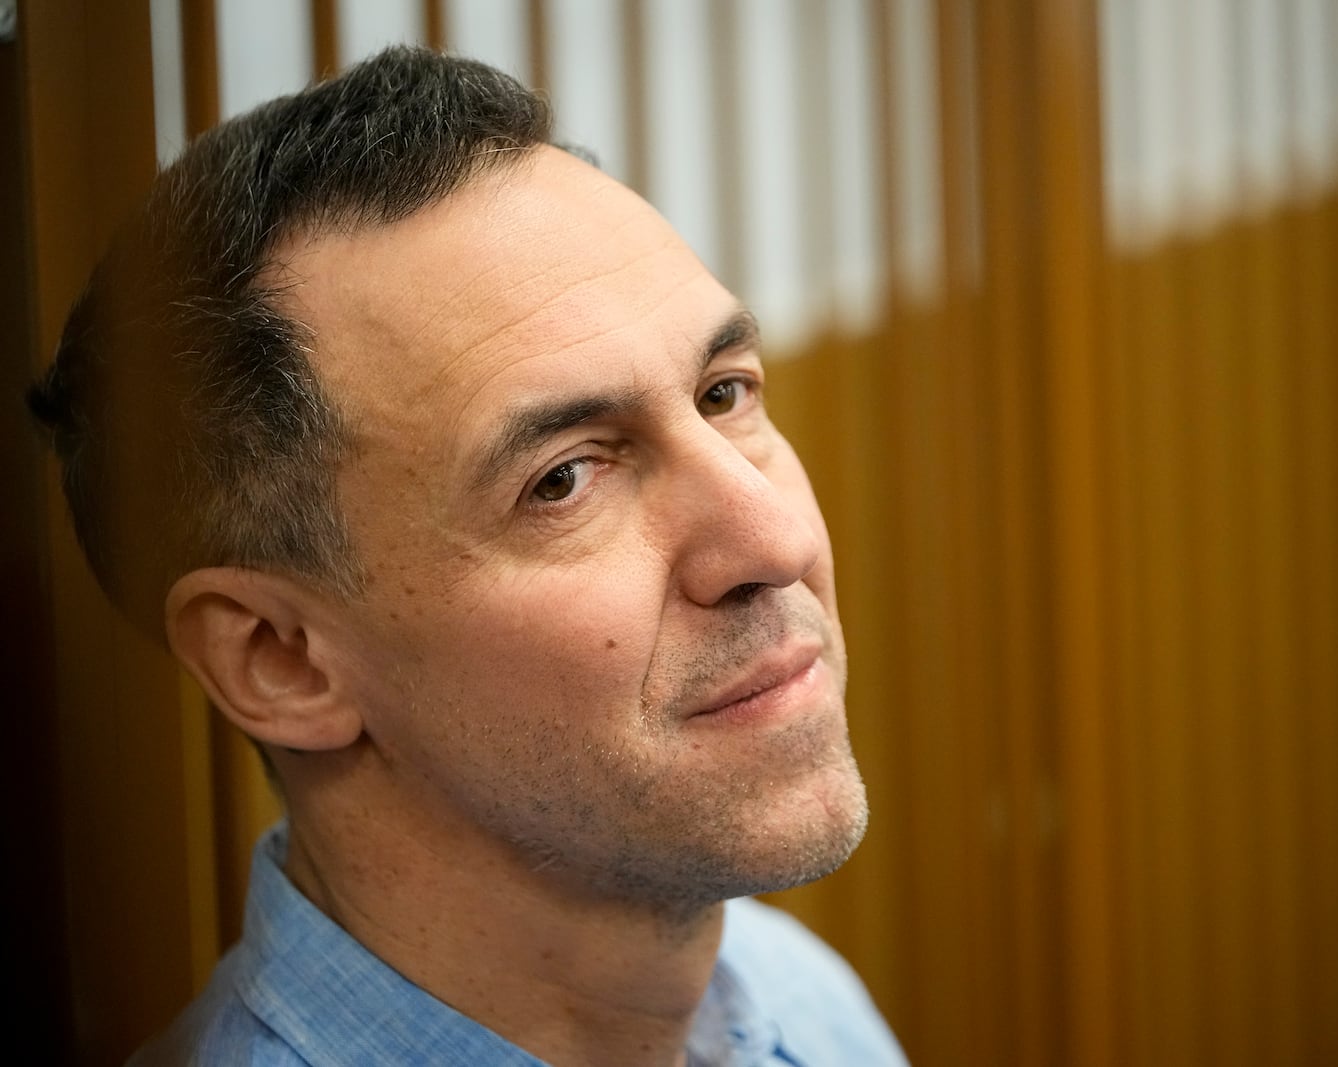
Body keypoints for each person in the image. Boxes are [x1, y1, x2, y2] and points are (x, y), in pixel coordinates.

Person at [29, 47, 904, 1067]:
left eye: (723, 393)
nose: (778, 539)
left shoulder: (794, 999)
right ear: (282, 657)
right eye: (564, 477)